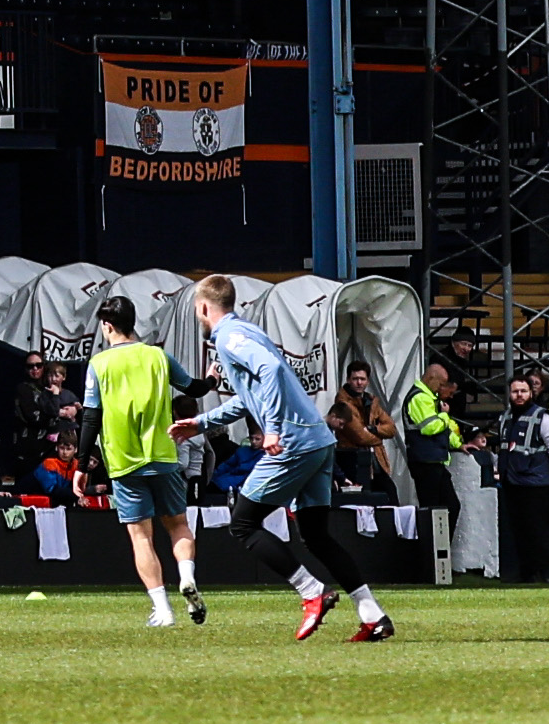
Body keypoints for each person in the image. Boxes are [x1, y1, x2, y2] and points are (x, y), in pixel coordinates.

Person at [188, 276, 390, 644]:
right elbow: (251, 397)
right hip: (318, 439)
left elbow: (271, 371)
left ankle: (312, 591)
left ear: (204, 307)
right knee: (316, 535)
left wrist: (273, 429)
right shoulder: (247, 332)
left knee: (243, 523)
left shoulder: (229, 338)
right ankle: (373, 616)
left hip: (294, 441)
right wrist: (201, 422)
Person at [86, 295, 199, 626]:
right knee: (178, 525)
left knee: (141, 537)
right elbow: (194, 388)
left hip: (124, 460)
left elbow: (91, 417)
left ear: (107, 325)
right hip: (163, 455)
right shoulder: (158, 357)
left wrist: (80, 464)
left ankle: (162, 610)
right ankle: (186, 575)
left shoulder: (100, 364)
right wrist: (212, 380)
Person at [407, 353, 500, 582]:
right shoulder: (419, 398)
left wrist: (459, 445)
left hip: (436, 461)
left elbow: (446, 430)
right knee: (432, 512)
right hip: (425, 462)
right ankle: (429, 563)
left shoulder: (430, 398)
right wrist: (443, 415)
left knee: (449, 507)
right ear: (432, 379)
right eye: (441, 384)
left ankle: (439, 559)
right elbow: (429, 427)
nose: (442, 389)